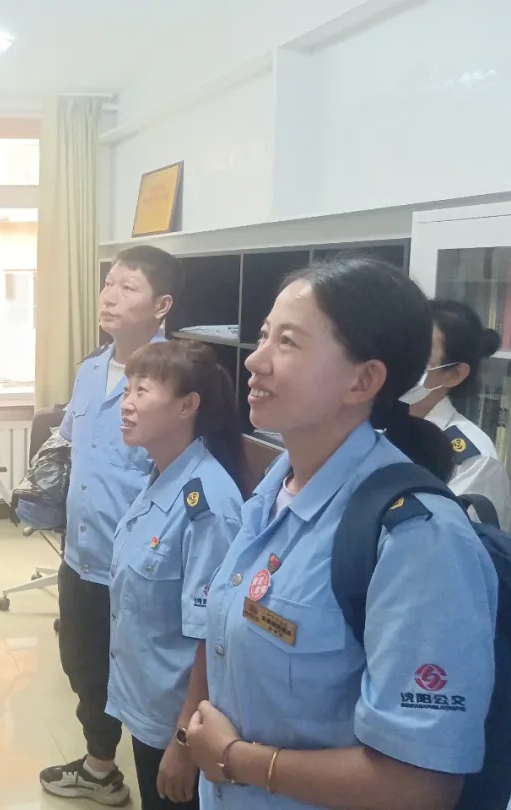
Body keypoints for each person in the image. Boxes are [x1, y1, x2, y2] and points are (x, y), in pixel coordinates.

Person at [183, 256, 497, 809]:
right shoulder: (276, 485)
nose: (255, 359)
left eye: (287, 342)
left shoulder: (417, 538)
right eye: (264, 335)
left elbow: (419, 785)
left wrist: (236, 759)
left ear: (363, 380)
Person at [40, 244, 183, 806]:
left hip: (140, 567)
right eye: (108, 284)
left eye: (128, 287)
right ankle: (100, 767)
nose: (109, 296)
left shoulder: (176, 377)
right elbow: (70, 443)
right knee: (83, 666)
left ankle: (168, 782)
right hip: (81, 555)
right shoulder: (91, 369)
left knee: (146, 680)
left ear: (161, 305)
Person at [106, 340, 245, 810]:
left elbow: (213, 636)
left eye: (142, 391)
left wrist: (184, 742)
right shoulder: (162, 476)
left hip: (179, 722)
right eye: (127, 389)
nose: (126, 403)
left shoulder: (208, 505)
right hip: (149, 705)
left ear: (187, 406)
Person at [403, 298, 511, 527]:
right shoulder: (367, 425)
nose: (400, 364)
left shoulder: (474, 460)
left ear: (454, 374)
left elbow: (450, 540)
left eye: (418, 357)